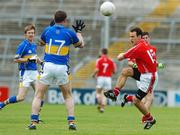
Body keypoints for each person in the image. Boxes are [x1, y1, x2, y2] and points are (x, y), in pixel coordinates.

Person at [28, 10, 85, 130]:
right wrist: (78, 32)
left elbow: (41, 43)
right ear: (65, 20)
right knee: (68, 96)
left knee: (38, 95)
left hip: (48, 65)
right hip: (62, 67)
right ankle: (71, 122)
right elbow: (81, 45)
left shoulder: (47, 30)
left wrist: (50, 31)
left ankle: (33, 122)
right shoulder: (70, 33)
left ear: (54, 18)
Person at [104, 27, 158, 129]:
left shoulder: (139, 47)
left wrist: (120, 54)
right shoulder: (146, 46)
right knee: (126, 71)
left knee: (137, 101)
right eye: (130, 36)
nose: (131, 39)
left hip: (148, 77)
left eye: (133, 36)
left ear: (139, 36)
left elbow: (120, 58)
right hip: (144, 73)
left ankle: (150, 119)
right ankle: (115, 93)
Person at [0, 25, 44, 117]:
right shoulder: (22, 45)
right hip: (25, 73)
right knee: (20, 98)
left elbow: (34, 57)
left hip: (34, 73)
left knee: (40, 94)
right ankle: (3, 103)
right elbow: (15, 59)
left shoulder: (33, 44)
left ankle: (36, 117)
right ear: (25, 34)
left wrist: (41, 63)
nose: (31, 35)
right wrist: (27, 60)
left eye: (32, 33)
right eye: (29, 33)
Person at [92, 48, 116, 113]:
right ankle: (102, 108)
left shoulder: (99, 60)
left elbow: (97, 70)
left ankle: (99, 103)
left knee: (98, 92)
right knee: (105, 94)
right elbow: (114, 71)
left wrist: (93, 75)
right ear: (107, 53)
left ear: (101, 52)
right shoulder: (111, 61)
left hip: (100, 78)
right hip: (108, 78)